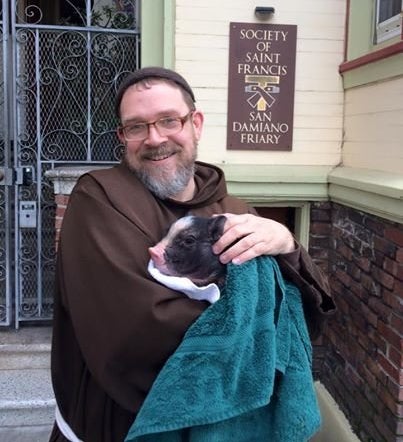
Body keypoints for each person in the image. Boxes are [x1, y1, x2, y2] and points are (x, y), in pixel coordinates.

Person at [49, 66, 335, 442]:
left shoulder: (235, 208)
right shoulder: (101, 198)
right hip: (116, 426)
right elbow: (135, 330)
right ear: (122, 136)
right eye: (136, 127)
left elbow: (300, 313)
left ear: (195, 123)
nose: (154, 138)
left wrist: (287, 244)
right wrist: (254, 328)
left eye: (169, 120)